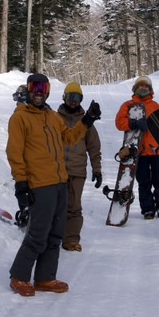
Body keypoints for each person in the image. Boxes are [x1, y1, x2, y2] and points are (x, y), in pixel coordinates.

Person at [7, 72, 99, 296]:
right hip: (40, 184)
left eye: (43, 89)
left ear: (48, 92)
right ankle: (19, 276)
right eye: (34, 88)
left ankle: (45, 278)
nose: (39, 93)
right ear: (28, 90)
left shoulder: (52, 116)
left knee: (56, 234)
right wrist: (21, 184)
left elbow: (69, 137)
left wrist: (86, 121)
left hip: (60, 181)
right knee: (38, 233)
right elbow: (14, 153)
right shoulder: (20, 117)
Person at [56, 80, 103, 252]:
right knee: (54, 205)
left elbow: (94, 147)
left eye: (77, 97)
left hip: (77, 171)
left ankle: (71, 240)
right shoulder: (55, 118)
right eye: (70, 97)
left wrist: (96, 169)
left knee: (74, 207)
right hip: (56, 170)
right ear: (64, 97)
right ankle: (53, 236)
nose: (73, 101)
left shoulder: (86, 123)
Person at [114, 76, 159, 220]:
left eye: (146, 86)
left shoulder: (155, 105)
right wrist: (134, 123)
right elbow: (119, 123)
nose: (143, 88)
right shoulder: (128, 105)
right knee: (143, 182)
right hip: (139, 151)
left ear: (150, 90)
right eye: (141, 86)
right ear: (136, 88)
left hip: (157, 150)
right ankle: (148, 209)